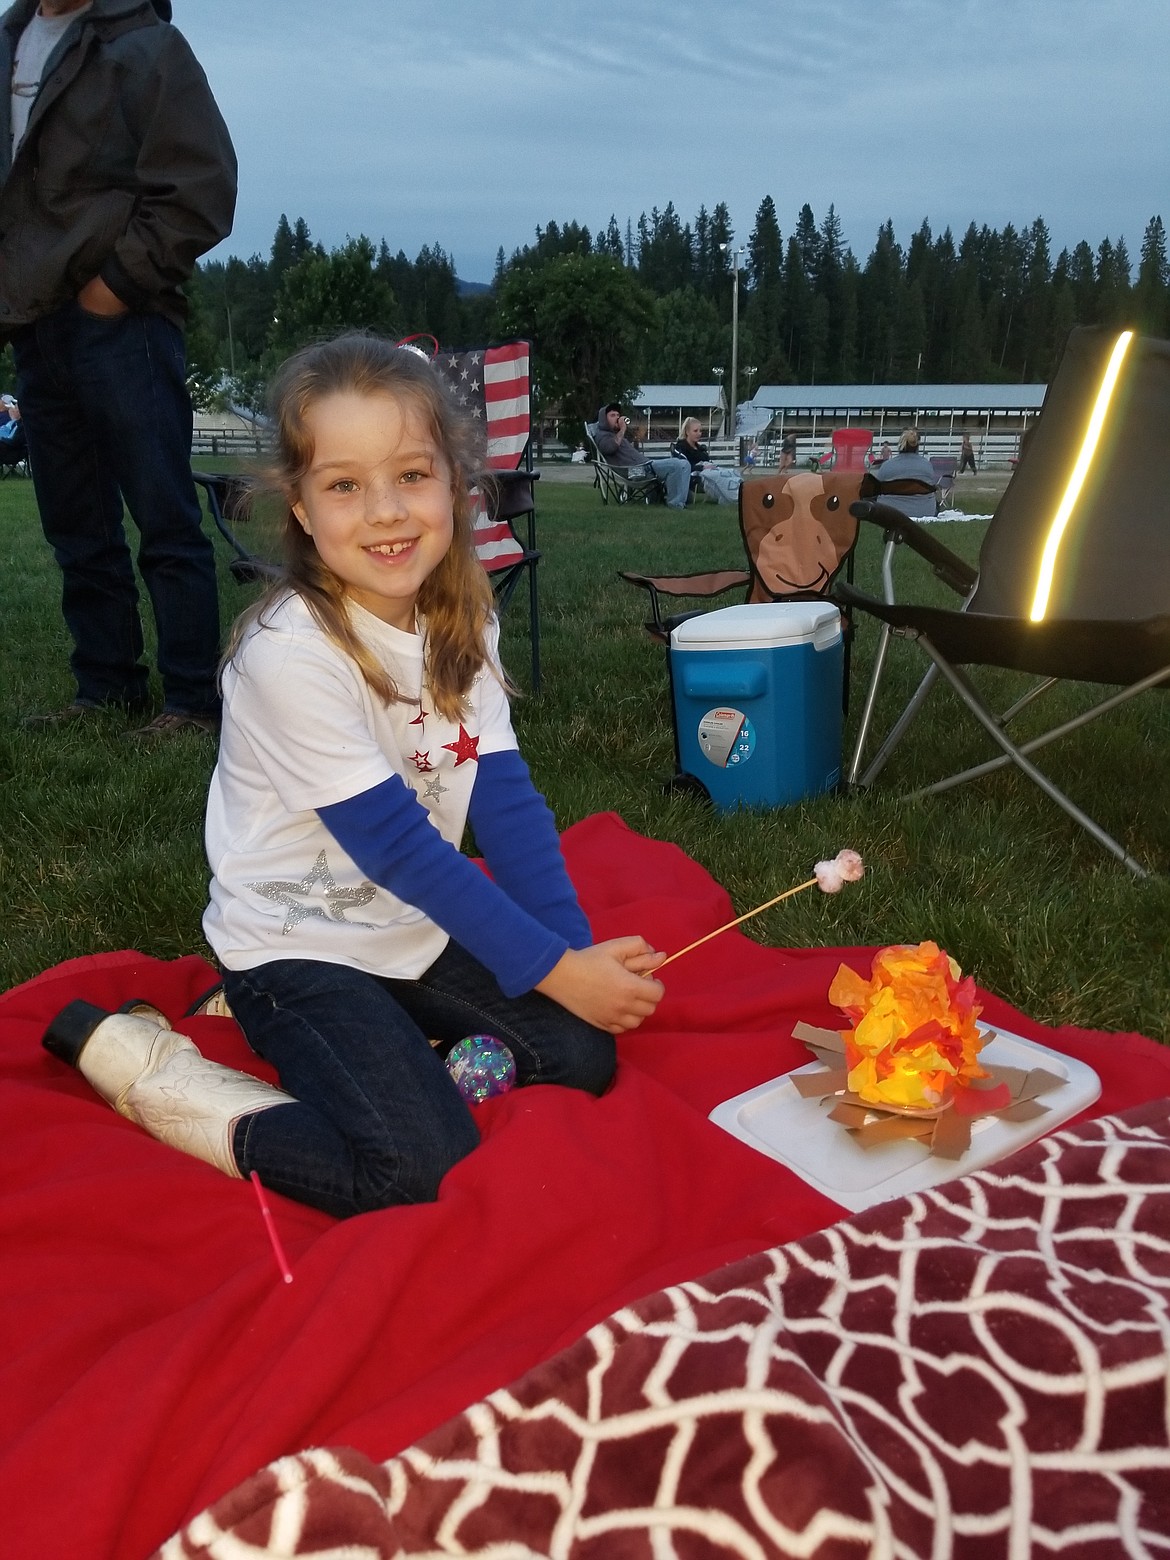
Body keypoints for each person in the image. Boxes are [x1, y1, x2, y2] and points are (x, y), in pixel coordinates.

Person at [60, 337, 668, 1218]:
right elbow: (396, 849)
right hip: (294, 943)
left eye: (411, 475)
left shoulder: (463, 616)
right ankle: (178, 1082)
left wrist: (567, 951)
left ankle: (395, 1049)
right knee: (418, 1168)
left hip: (405, 929)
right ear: (301, 509)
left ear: (457, 487)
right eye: (345, 485)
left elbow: (504, 799)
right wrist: (554, 969)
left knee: (580, 1054)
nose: (386, 512)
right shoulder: (290, 654)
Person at [1, 0, 237, 737]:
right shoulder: (9, 40)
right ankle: (104, 688)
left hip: (123, 321)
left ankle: (192, 698)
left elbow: (201, 187)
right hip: (32, 320)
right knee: (76, 524)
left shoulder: (147, 46)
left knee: (164, 517)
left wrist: (114, 289)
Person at [593, 403, 691, 509]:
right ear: (604, 420)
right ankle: (674, 504)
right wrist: (622, 429)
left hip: (645, 465)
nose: (617, 418)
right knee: (675, 464)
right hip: (635, 471)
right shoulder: (602, 436)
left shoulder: (614, 434)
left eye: (618, 415)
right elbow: (610, 448)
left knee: (685, 464)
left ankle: (681, 501)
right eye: (612, 415)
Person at [670, 417, 741, 505]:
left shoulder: (700, 449)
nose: (699, 434)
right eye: (695, 431)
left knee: (733, 472)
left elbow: (709, 462)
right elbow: (682, 467)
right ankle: (735, 497)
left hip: (708, 470)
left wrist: (711, 466)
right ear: (687, 432)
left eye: (700, 431)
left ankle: (742, 492)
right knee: (717, 476)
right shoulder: (680, 448)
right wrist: (702, 467)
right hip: (694, 476)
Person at [871, 427, 939, 488]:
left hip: (889, 502)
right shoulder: (927, 466)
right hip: (922, 502)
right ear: (917, 446)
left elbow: (877, 488)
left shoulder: (886, 466)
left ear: (900, 445)